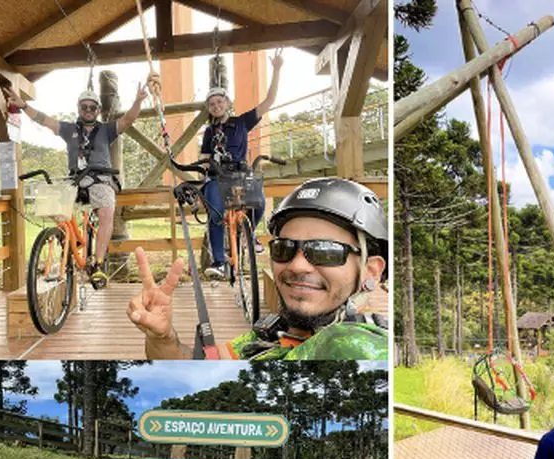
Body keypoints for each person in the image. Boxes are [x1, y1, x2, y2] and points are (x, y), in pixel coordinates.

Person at [128, 177, 388, 360]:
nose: (297, 265)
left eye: (324, 251)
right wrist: (162, 339)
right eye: (284, 248)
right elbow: (197, 369)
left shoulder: (357, 345)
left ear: (370, 271)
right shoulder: (275, 332)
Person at [6, 80, 149, 289]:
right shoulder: (69, 129)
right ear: (79, 108)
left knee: (107, 213)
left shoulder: (106, 130)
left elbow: (128, 119)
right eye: (84, 107)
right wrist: (24, 106)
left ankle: (98, 263)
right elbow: (45, 121)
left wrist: (137, 101)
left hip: (100, 178)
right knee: (54, 205)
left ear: (98, 110)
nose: (89, 110)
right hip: (75, 178)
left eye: (92, 107)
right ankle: (62, 243)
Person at [199, 51, 282, 280]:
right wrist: (202, 180)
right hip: (217, 177)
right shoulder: (209, 131)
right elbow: (205, 158)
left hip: (239, 174)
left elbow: (269, 101)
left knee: (260, 203)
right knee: (215, 214)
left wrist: (276, 70)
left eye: (219, 102)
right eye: (212, 104)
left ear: (227, 103)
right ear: (209, 108)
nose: (216, 106)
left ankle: (248, 234)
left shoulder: (242, 122)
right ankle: (219, 262)